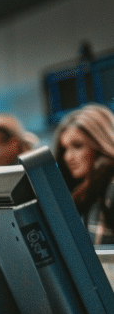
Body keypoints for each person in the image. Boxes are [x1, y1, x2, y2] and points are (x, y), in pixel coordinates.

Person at [52, 103, 114, 244]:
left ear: (99, 145)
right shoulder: (83, 193)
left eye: (77, 146)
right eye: (64, 149)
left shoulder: (110, 187)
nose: (68, 157)